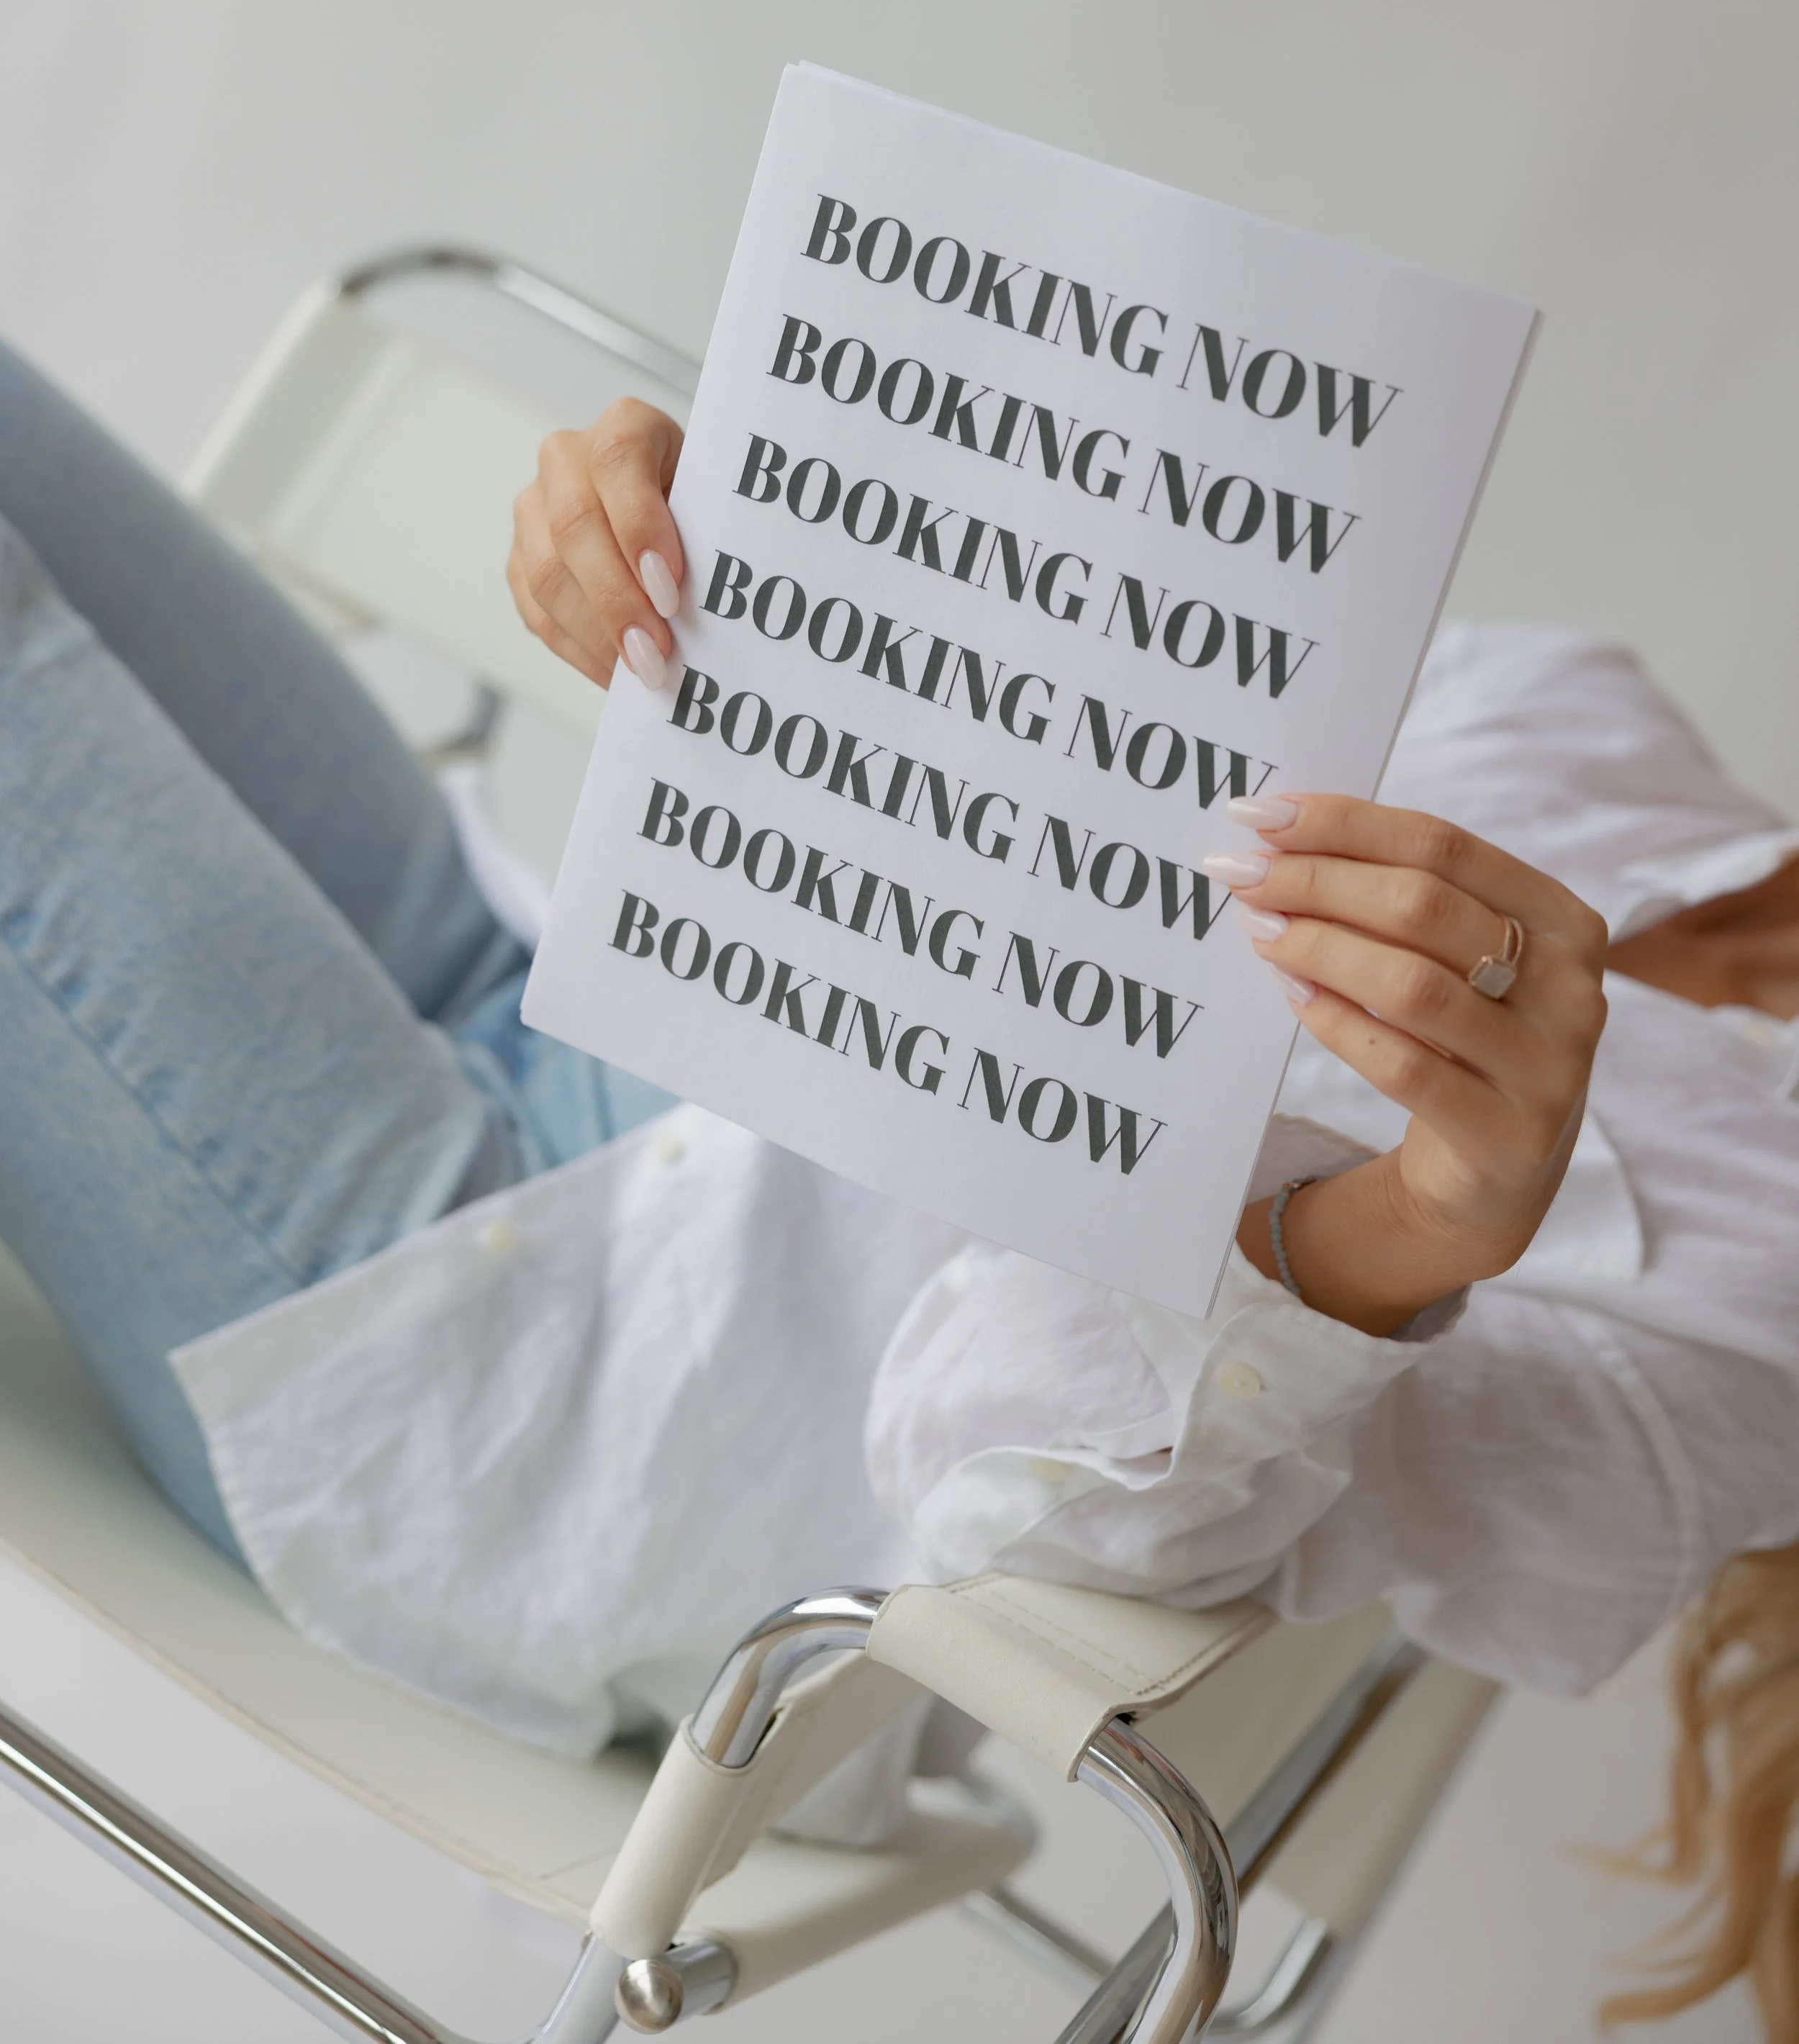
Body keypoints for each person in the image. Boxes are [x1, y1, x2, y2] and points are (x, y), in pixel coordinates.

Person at [2, 352, 1795, 2025]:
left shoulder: (1758, 1325)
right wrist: (749, 579)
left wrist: (1423, 1222)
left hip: (546, 1384)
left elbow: (1006, 1498)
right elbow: (1010, 785)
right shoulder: (1584, 718)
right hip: (575, 1005)